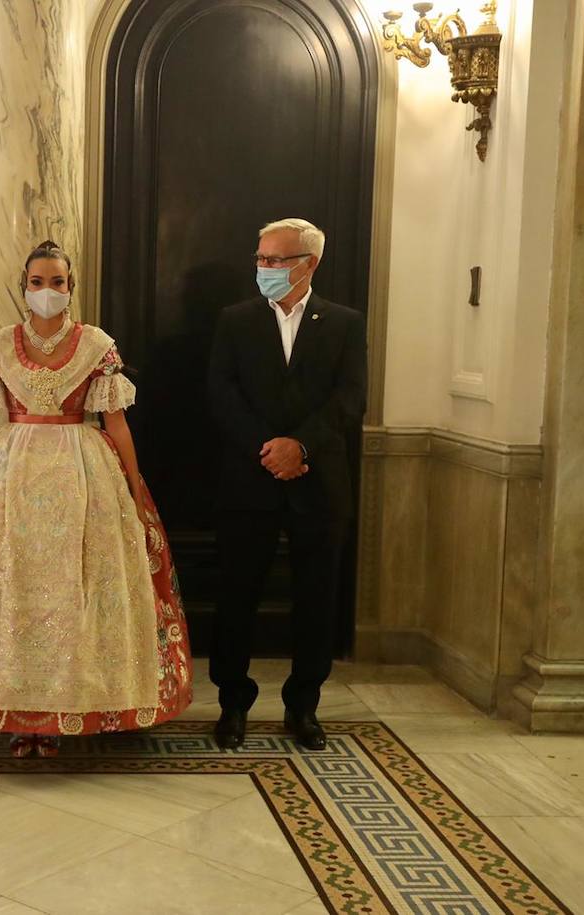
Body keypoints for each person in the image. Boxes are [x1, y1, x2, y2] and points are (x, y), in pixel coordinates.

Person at [0, 240, 193, 757]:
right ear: (24, 288)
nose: (47, 291)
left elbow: (116, 423)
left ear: (71, 287)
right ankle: (15, 712)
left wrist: (132, 482)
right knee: (13, 587)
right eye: (37, 282)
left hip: (83, 474)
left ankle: (64, 710)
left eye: (57, 282)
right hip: (6, 476)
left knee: (72, 592)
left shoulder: (97, 345)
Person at [206, 217, 366, 751]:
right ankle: (232, 704)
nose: (264, 269)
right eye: (260, 259)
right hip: (247, 481)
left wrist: (303, 447)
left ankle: (304, 706)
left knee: (317, 599)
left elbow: (349, 398)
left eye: (275, 260)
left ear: (309, 264)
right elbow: (220, 393)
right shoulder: (235, 320)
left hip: (319, 483)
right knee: (236, 597)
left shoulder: (344, 323)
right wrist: (270, 450)